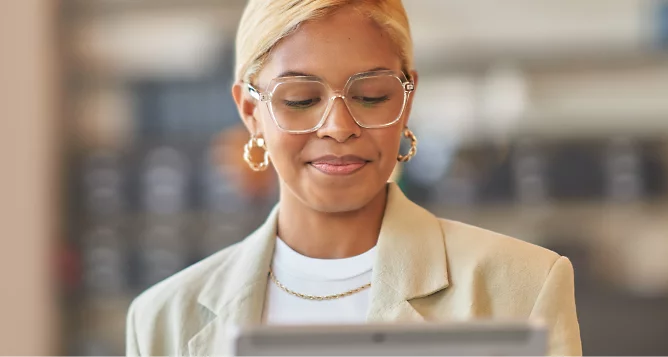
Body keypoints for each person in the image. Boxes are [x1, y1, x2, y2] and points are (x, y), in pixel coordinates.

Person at [125, 0, 581, 355]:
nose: (339, 127)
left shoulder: (524, 285)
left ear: (406, 100)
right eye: (301, 98)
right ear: (251, 113)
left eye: (370, 95)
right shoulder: (163, 320)